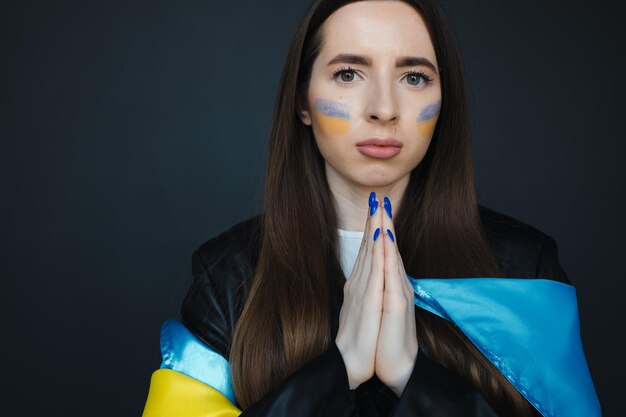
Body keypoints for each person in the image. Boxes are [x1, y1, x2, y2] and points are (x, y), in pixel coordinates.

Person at [142, 0, 600, 416]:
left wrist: (411, 375)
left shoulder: (524, 271)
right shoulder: (228, 276)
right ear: (302, 100)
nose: (384, 108)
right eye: (348, 74)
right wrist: (338, 369)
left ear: (444, 101)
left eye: (414, 77)